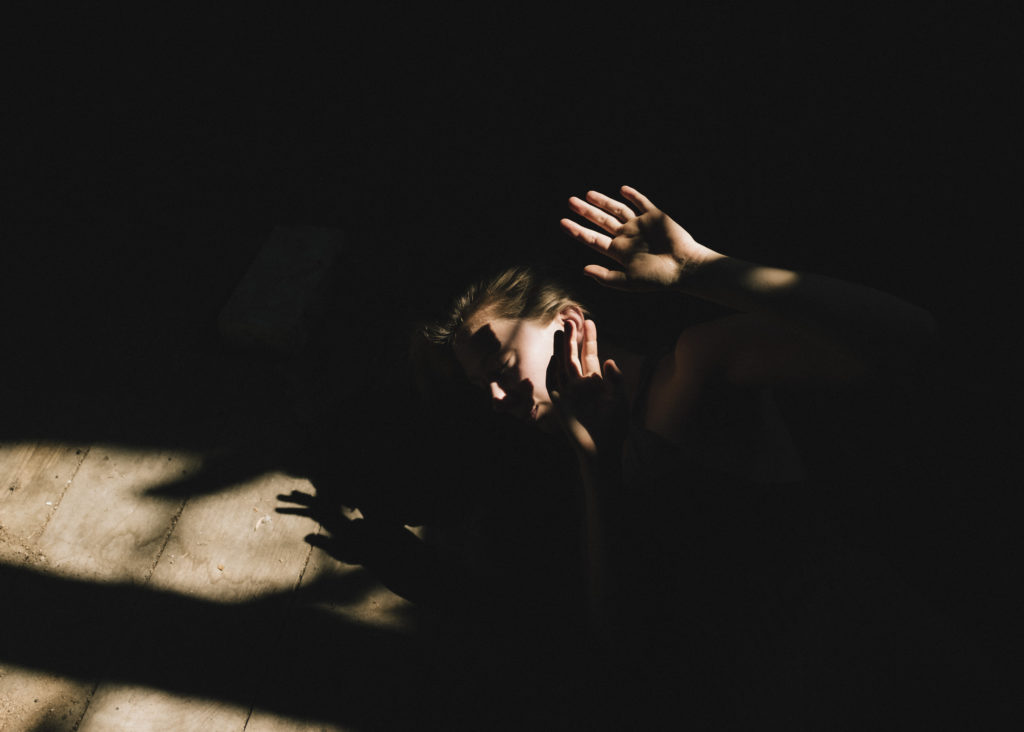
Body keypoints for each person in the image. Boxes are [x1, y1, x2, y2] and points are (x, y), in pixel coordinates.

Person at [416, 186, 1005, 727]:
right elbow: (621, 632)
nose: (496, 398)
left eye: (500, 368)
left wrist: (700, 269)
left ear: (569, 323)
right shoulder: (579, 467)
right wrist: (594, 461)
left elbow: (908, 334)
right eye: (482, 387)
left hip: (871, 657)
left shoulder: (693, 366)